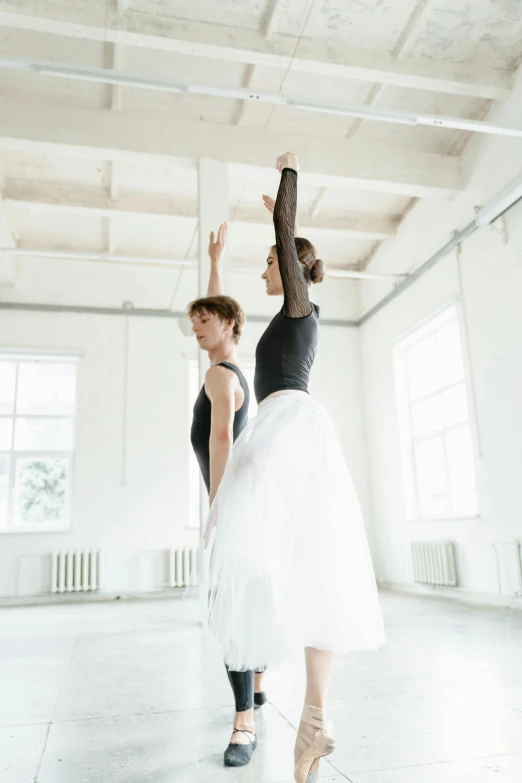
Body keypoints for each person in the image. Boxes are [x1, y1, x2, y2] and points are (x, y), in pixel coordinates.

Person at [204, 154, 386, 782]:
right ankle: (311, 719)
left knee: (270, 561)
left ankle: (273, 708)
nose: (264, 274)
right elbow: (222, 315)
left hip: (286, 431)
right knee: (309, 572)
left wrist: (288, 177)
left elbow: (286, 231)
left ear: (288, 265)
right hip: (286, 434)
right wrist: (217, 261)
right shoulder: (291, 320)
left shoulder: (301, 307)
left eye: (268, 265)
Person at [188, 224, 266, 768]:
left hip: (234, 506)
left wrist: (216, 509)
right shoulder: (228, 367)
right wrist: (215, 262)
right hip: (247, 504)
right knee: (247, 601)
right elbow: (222, 308)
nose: (197, 327)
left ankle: (244, 725)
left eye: (205, 320)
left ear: (229, 325)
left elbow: (221, 440)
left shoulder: (219, 377)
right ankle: (257, 685)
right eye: (192, 321)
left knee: (229, 610)